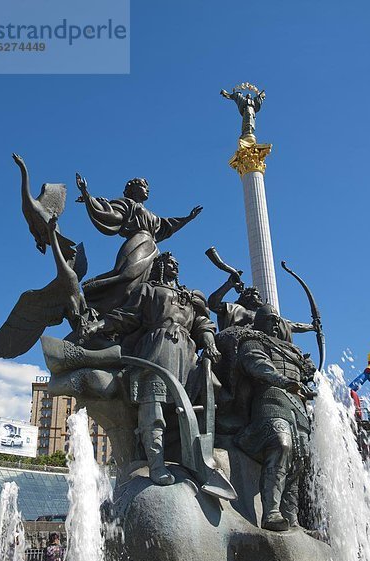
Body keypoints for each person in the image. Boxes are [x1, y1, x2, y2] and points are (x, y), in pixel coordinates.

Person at [82, 252, 220, 486]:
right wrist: (98, 326)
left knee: (192, 408)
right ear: (160, 267)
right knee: (152, 407)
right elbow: (126, 316)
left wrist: (209, 343)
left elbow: (202, 324)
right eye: (170, 262)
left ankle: (197, 462)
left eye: (177, 262)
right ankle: (156, 465)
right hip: (156, 348)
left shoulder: (192, 296)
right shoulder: (148, 290)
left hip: (186, 354)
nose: (175, 265)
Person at [229, 304, 315, 532]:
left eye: (277, 320)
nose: (275, 323)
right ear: (258, 321)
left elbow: (305, 376)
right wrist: (282, 380)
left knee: (300, 458)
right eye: (270, 319)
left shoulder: (292, 350)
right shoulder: (252, 341)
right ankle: (271, 512)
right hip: (269, 399)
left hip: (298, 406)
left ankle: (292, 517)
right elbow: (257, 364)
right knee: (281, 444)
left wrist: (308, 371)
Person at [76, 175, 203, 314]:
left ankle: (137, 316)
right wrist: (87, 196)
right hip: (137, 243)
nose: (147, 189)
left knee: (148, 285)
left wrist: (187, 219)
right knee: (127, 280)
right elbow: (112, 216)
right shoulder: (127, 203)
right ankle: (99, 307)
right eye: (143, 186)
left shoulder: (151, 215)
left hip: (152, 248)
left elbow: (166, 227)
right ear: (134, 189)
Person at [208, 273, 315, 342]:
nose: (259, 296)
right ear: (246, 297)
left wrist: (312, 327)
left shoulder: (268, 315)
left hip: (268, 345)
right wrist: (229, 284)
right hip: (244, 346)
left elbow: (292, 325)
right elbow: (213, 304)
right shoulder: (237, 310)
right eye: (255, 294)